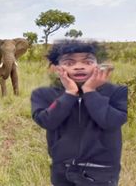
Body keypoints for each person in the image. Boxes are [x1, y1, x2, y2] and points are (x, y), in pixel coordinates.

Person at [30, 39, 128, 186]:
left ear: (98, 66)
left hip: (101, 172)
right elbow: (47, 121)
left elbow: (111, 122)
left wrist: (90, 91)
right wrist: (69, 93)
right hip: (62, 170)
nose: (79, 67)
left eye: (88, 62)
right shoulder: (43, 94)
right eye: (69, 63)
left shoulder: (118, 92)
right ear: (57, 69)